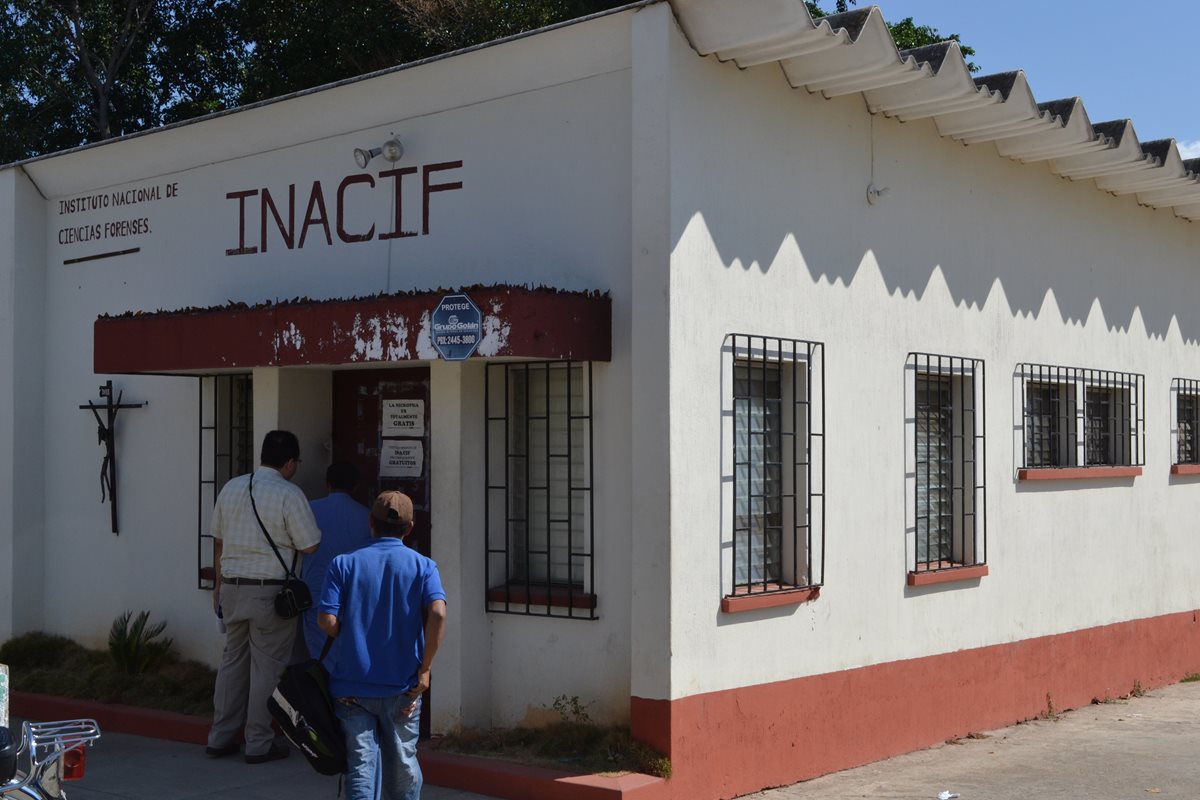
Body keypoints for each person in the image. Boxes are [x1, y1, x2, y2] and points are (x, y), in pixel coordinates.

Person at [318, 491, 447, 800]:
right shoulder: (423, 566)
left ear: (370, 522)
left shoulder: (343, 564)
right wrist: (425, 669)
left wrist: (348, 634)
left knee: (360, 767)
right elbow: (438, 613)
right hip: (402, 686)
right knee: (402, 764)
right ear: (410, 527)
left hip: (351, 686)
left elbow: (326, 620)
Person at [206, 430, 322, 764]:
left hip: (231, 587)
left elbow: (218, 540)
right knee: (266, 670)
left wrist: (217, 585)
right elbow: (310, 544)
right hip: (270, 593)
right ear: (289, 462)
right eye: (296, 462)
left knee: (231, 664)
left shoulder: (232, 487)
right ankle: (258, 742)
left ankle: (220, 736)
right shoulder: (289, 494)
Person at [300, 461, 371, 659]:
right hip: (352, 599)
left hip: (315, 596)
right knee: (350, 657)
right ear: (355, 486)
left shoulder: (308, 511)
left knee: (320, 660)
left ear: (327, 484)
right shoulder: (366, 517)